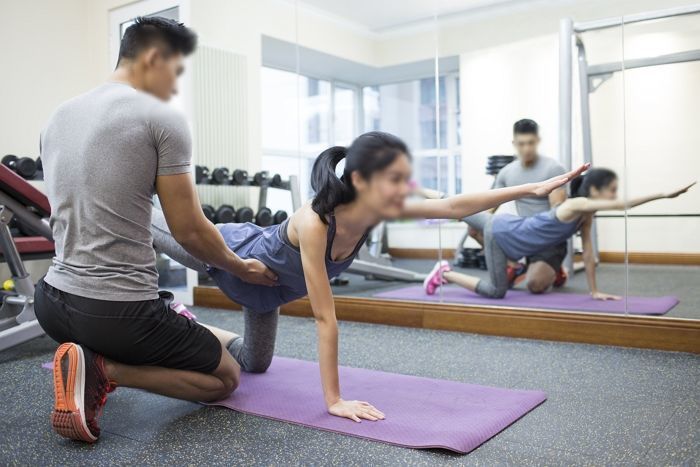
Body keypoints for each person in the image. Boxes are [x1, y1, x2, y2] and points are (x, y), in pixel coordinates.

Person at [151, 131, 589, 424]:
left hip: (268, 292)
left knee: (255, 365)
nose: (404, 188)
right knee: (148, 223)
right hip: (229, 255)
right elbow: (325, 319)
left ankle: (190, 322)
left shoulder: (378, 211)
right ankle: (130, 192)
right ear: (360, 179)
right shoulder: (317, 223)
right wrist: (334, 400)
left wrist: (529, 189)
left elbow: (454, 206)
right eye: (393, 179)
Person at [35, 17, 277, 443]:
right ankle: (105, 369)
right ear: (153, 57)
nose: (175, 83)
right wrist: (241, 269)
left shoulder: (57, 116)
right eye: (176, 70)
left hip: (52, 304)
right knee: (225, 377)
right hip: (118, 313)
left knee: (163, 321)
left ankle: (91, 352)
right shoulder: (160, 117)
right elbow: (190, 231)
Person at [423, 169, 694, 300]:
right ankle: (444, 273)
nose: (614, 194)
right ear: (595, 191)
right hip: (501, 234)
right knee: (496, 291)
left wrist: (595, 291)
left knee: (455, 206)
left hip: (506, 226)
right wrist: (663, 195)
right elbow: (621, 205)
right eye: (611, 189)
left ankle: (416, 192)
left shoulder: (585, 217)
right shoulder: (576, 204)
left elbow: (588, 253)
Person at [468, 119, 569, 292]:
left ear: (538, 141)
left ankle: (556, 268)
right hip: (522, 234)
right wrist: (466, 215)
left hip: (548, 238)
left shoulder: (553, 169)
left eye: (530, 143)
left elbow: (557, 215)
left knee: (535, 286)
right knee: (475, 228)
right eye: (521, 144)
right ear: (514, 143)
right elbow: (488, 207)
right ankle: (514, 265)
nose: (526, 149)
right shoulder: (507, 172)